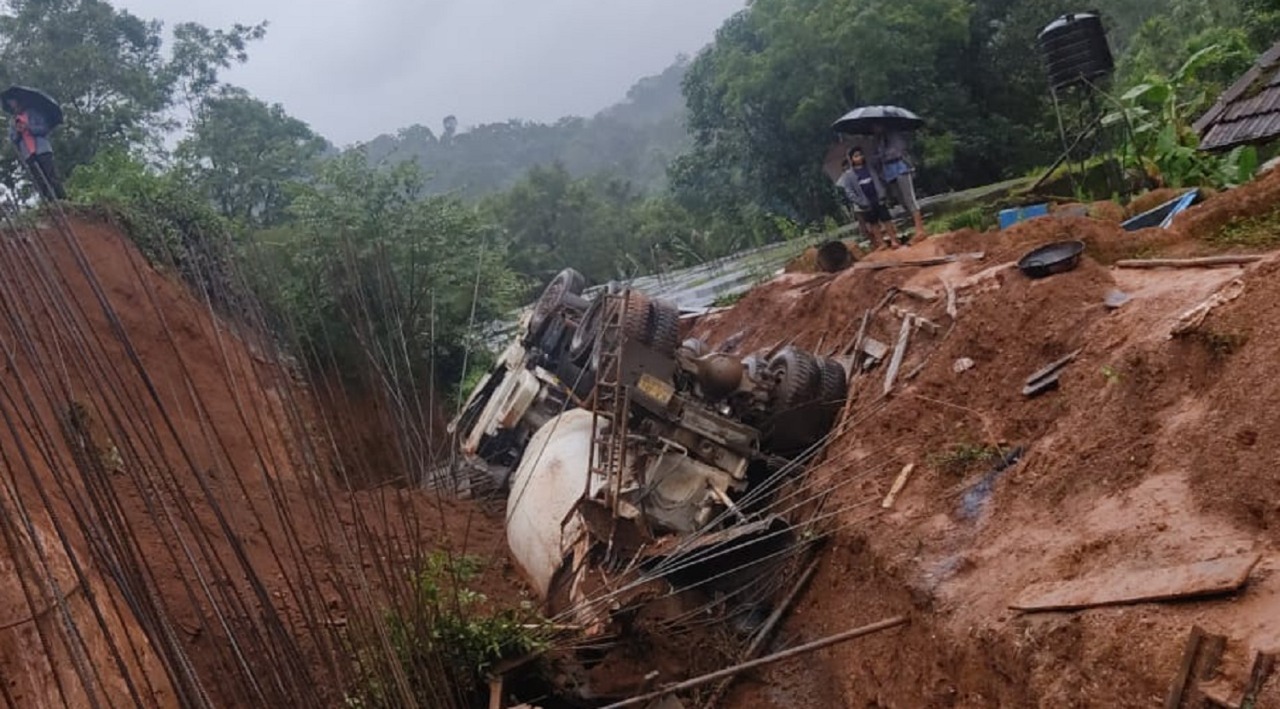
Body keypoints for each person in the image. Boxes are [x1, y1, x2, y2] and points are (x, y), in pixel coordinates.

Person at [837, 146, 900, 250]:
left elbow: (879, 180)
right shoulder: (848, 175)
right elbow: (849, 192)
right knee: (873, 222)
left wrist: (882, 193)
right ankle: (881, 243)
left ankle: (893, 240)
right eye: (856, 156)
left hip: (878, 197)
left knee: (886, 219)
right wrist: (860, 202)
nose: (859, 158)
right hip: (865, 202)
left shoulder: (870, 168)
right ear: (851, 159)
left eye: (860, 155)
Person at [869, 125, 925, 241]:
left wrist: (883, 155)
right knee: (901, 200)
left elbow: (897, 151)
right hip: (888, 172)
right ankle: (915, 226)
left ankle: (920, 230)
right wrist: (880, 157)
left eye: (877, 125)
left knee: (909, 198)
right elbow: (874, 158)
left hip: (900, 167)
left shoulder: (894, 134)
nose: (875, 128)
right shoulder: (876, 141)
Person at [7, 97, 65, 201]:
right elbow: (13, 139)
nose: (12, 105)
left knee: (51, 175)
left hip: (42, 150)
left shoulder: (34, 113)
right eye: (10, 104)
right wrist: (18, 132)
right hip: (28, 153)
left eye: (13, 102)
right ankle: (50, 202)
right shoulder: (12, 122)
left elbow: (44, 129)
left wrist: (28, 127)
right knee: (39, 179)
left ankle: (63, 199)